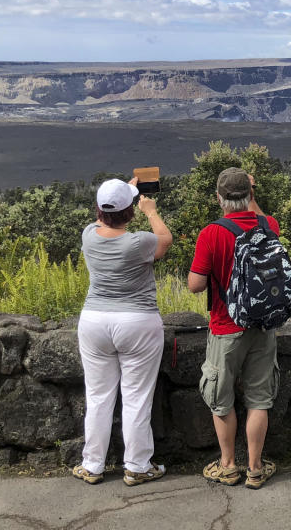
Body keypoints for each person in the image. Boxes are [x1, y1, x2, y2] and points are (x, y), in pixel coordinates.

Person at [72, 177, 173, 486]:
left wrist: (119, 196)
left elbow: (103, 220)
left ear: (99, 210)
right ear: (129, 212)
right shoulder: (139, 241)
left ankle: (92, 465)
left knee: (98, 396)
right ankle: (138, 466)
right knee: (136, 398)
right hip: (137, 322)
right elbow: (165, 240)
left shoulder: (89, 235)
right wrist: (150, 210)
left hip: (94, 321)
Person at [187, 168, 279, 488]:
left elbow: (195, 285)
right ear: (251, 195)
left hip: (226, 328)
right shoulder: (270, 226)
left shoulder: (211, 233)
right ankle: (255, 468)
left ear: (218, 198)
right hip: (263, 328)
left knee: (221, 398)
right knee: (258, 400)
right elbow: (262, 219)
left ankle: (227, 465)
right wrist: (252, 195)